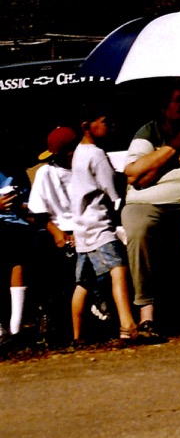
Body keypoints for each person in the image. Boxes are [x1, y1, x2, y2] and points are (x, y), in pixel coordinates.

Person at [121, 80, 180, 334]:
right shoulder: (148, 133)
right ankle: (147, 312)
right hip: (148, 202)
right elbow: (134, 174)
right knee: (138, 227)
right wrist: (173, 147)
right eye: (178, 100)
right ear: (163, 107)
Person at [68, 109, 140, 345]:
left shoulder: (78, 152)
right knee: (118, 269)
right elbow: (112, 190)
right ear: (87, 125)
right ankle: (127, 325)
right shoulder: (97, 154)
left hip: (81, 227)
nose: (110, 126)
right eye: (104, 122)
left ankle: (77, 336)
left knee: (84, 282)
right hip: (99, 224)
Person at [26, 126, 80, 344]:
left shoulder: (84, 169)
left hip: (85, 228)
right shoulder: (46, 173)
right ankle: (49, 317)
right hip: (55, 229)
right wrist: (58, 233)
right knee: (43, 255)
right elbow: (38, 213)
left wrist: (80, 232)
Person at [0, 162, 34, 346]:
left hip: (18, 225)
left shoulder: (18, 172)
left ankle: (16, 328)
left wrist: (19, 205)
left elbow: (31, 204)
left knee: (18, 264)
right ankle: (3, 329)